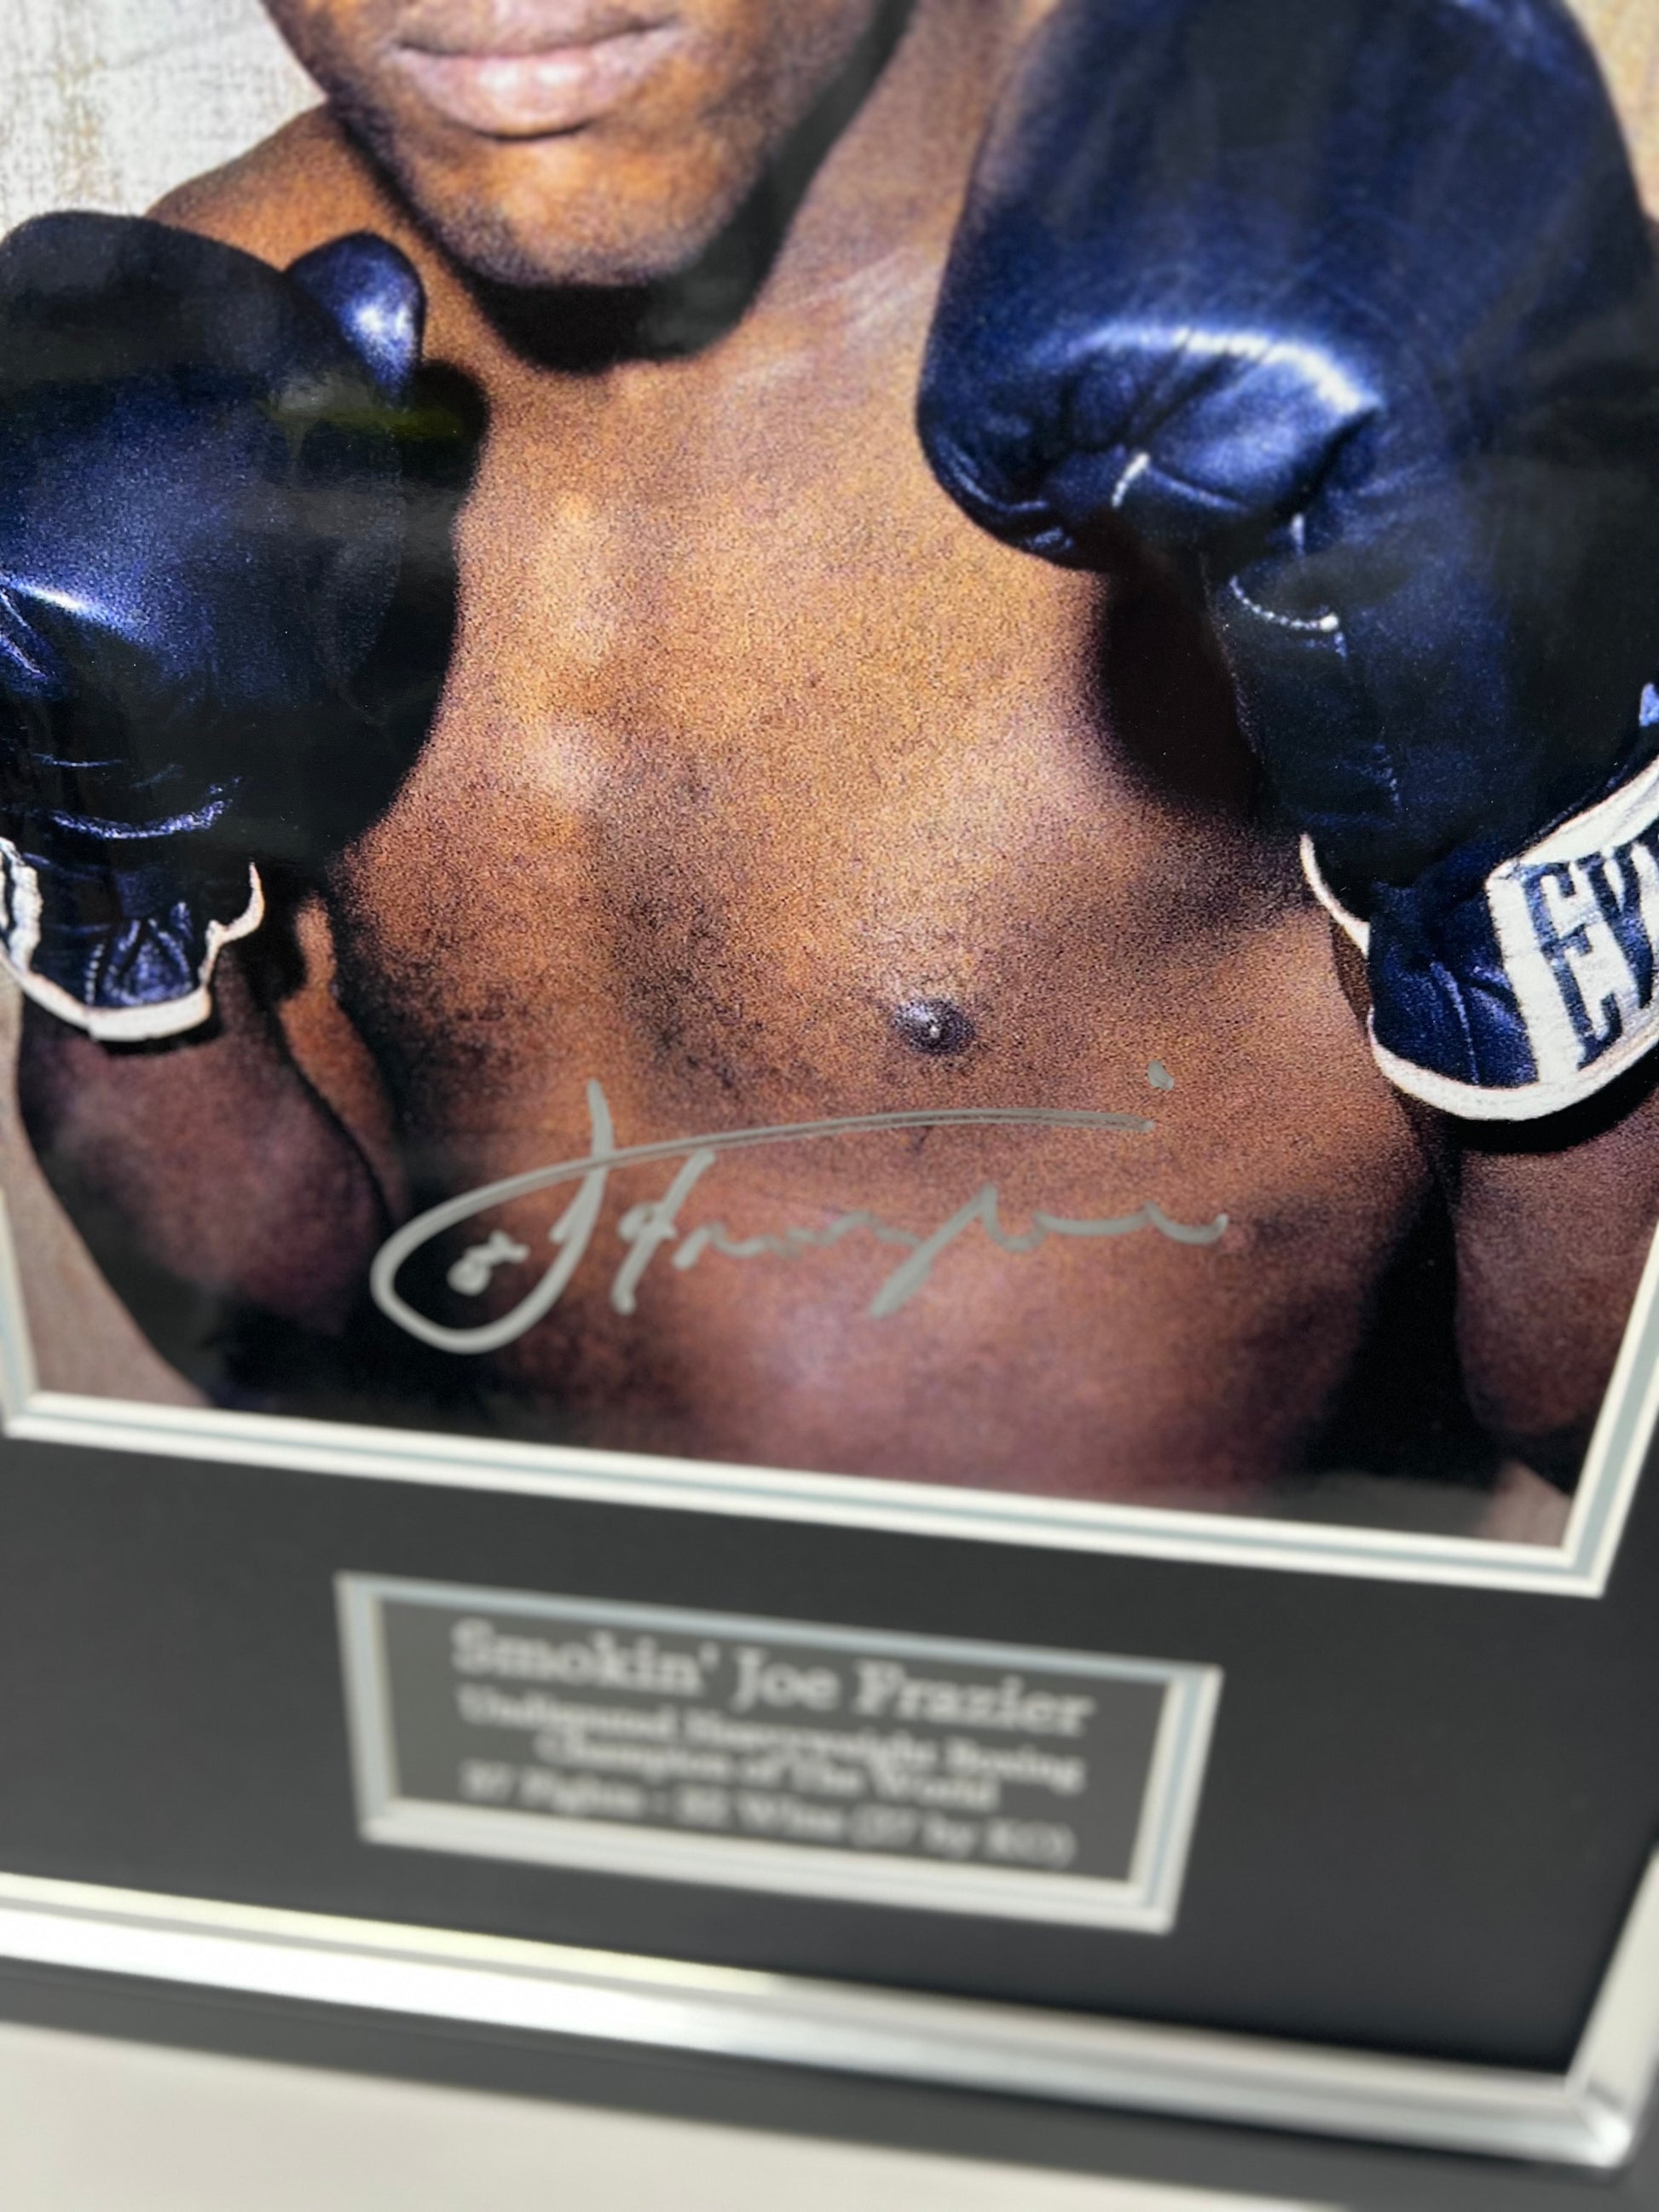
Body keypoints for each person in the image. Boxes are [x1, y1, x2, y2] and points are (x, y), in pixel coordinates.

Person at [7, 0, 1659, 1526]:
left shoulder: (1381, 290)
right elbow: (268, 1324)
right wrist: (107, 872)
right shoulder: (218, 312)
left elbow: (1588, 1429)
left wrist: (1541, 825)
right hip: (517, 1652)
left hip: (1167, 1699)